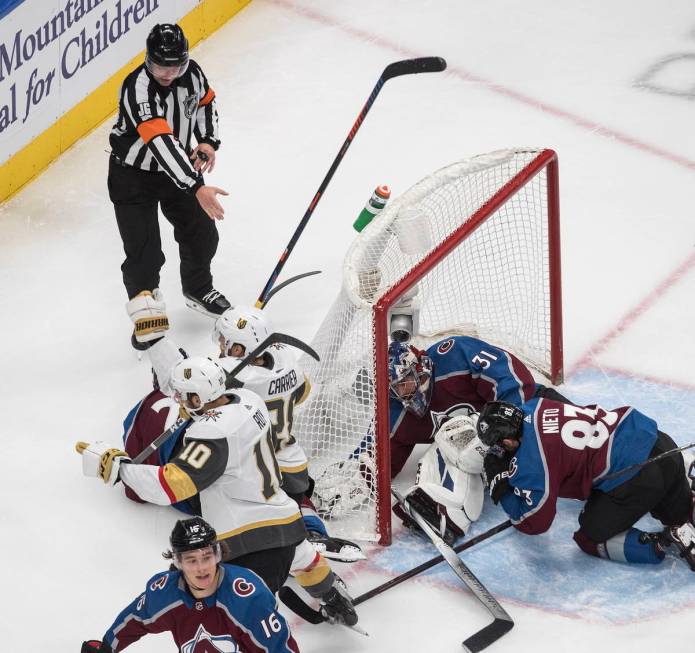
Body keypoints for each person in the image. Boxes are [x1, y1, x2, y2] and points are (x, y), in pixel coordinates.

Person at [79, 356, 359, 626]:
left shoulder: (212, 433)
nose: (179, 402)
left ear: (198, 398)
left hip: (246, 541)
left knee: (224, 615)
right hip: (285, 518)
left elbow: (171, 485)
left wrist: (119, 469)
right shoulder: (250, 401)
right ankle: (334, 597)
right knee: (303, 557)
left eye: (183, 396)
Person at [126, 304, 364, 562]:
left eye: (226, 342)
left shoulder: (231, 377)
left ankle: (292, 550)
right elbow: (303, 392)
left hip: (248, 463)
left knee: (243, 509)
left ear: (239, 348)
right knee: (297, 498)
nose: (221, 347)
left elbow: (183, 379)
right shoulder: (285, 359)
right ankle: (314, 534)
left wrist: (156, 341)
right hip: (291, 462)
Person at [314, 335, 568, 542]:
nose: (404, 394)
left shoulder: (453, 355)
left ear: (419, 367)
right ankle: (443, 512)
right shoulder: (395, 412)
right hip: (493, 456)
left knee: (589, 450)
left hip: (531, 415)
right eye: (394, 389)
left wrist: (509, 425)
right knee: (450, 442)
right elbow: (380, 457)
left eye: (405, 383)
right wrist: (359, 478)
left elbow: (509, 374)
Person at [109, 23, 232, 342]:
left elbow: (206, 104)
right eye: (159, 65)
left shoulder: (193, 74)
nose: (166, 73)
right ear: (148, 60)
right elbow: (161, 142)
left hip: (180, 170)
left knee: (203, 233)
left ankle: (198, 288)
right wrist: (196, 186)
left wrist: (207, 141)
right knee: (144, 255)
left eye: (174, 65)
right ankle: (147, 316)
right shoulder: (137, 88)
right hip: (133, 177)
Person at [477, 398, 695, 570]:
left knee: (588, 537)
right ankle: (685, 516)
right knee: (679, 516)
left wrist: (500, 484)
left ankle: (659, 544)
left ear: (506, 441)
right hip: (663, 445)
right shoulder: (536, 405)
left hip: (641, 479)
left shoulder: (533, 460)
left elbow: (535, 522)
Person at [81, 516, 300, 653]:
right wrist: (107, 647)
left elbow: (280, 648)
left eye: (206, 557)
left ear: (218, 555)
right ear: (178, 563)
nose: (201, 568)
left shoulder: (247, 598)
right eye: (191, 560)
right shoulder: (166, 593)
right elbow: (135, 618)